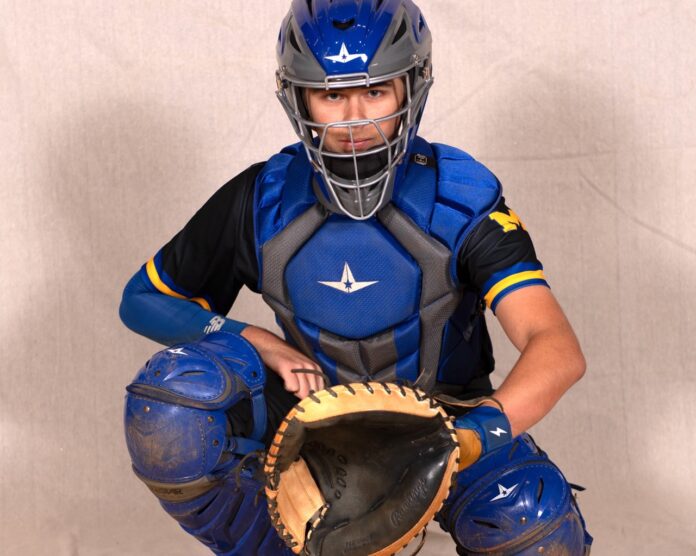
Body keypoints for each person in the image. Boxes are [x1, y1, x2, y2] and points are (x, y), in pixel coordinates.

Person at [120, 1, 592, 554]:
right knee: (176, 402)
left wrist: (470, 438)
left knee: (530, 519)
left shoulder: (457, 197)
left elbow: (555, 348)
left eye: (375, 92)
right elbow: (142, 299)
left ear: (411, 89)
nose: (354, 119)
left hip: (446, 421)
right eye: (332, 95)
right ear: (299, 98)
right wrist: (257, 340)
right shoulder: (263, 198)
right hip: (311, 424)